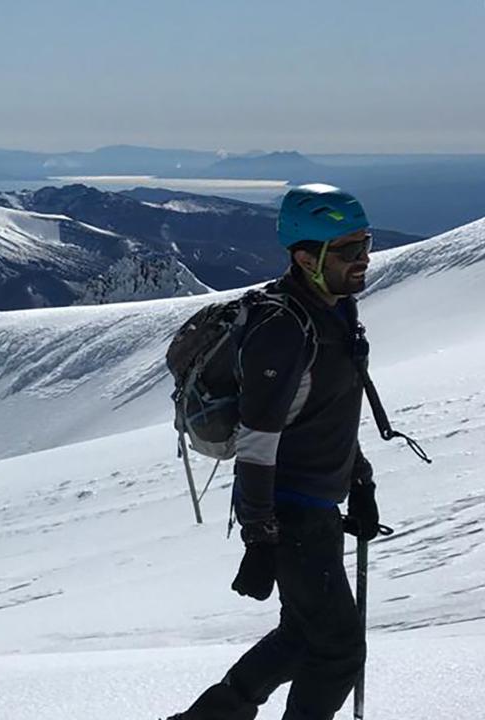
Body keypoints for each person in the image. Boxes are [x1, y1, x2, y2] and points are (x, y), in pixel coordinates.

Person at [169, 184, 386, 720]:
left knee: (301, 635)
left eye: (364, 244)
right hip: (290, 511)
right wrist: (261, 533)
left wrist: (359, 480)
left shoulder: (335, 309)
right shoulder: (283, 329)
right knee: (336, 649)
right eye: (347, 251)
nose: (362, 260)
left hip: (316, 504)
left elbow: (331, 409)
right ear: (305, 257)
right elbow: (258, 439)